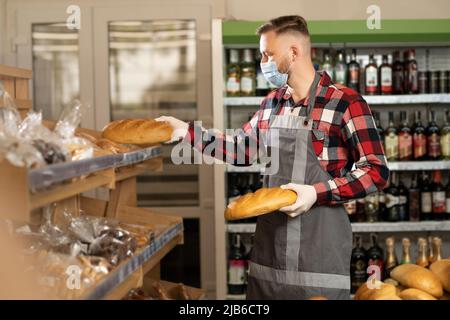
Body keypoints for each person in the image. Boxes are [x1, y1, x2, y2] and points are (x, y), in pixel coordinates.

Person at [156, 15, 389, 300]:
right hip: (269, 258)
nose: (263, 62)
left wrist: (315, 193)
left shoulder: (345, 102)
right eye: (261, 54)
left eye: (268, 54)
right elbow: (242, 149)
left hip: (319, 257)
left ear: (294, 52)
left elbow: (376, 171)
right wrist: (186, 132)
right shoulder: (271, 103)